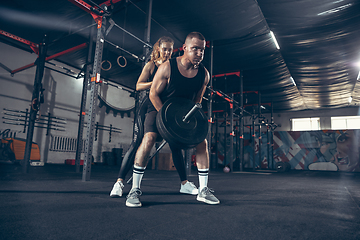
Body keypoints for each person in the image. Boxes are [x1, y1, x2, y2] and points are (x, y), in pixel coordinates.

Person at [126, 32, 220, 207]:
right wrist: (166, 119)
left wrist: (186, 121)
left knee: (202, 143)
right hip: (159, 107)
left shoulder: (204, 75)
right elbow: (153, 94)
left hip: (182, 112)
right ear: (184, 48)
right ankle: (134, 189)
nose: (199, 53)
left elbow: (197, 101)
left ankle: (203, 190)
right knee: (149, 139)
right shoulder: (168, 67)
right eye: (195, 49)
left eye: (202, 50)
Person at [110, 36, 198, 198]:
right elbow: (138, 86)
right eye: (164, 49)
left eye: (170, 50)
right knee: (138, 143)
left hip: (169, 108)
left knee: (175, 145)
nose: (167, 52)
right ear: (158, 49)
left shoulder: (172, 66)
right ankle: (119, 182)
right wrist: (158, 81)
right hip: (149, 106)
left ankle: (185, 183)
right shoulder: (152, 66)